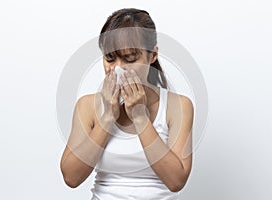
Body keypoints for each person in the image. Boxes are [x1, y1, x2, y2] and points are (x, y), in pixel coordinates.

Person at [60, 8, 194, 200]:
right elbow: (71, 177)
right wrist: (107, 117)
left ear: (152, 56)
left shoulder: (178, 106)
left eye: (130, 58)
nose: (118, 69)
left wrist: (140, 117)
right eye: (109, 58)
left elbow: (176, 181)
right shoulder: (87, 106)